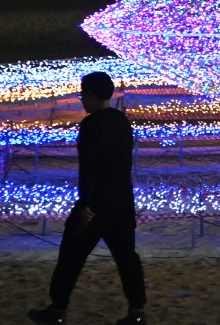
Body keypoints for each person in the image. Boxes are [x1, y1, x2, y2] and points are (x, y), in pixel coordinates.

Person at [29, 71, 147, 325]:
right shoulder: (122, 121)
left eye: (83, 95)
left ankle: (58, 309)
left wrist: (86, 203)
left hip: (96, 206)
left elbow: (90, 168)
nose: (82, 99)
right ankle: (137, 311)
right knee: (127, 258)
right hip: (122, 202)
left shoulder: (91, 125)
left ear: (92, 95)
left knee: (71, 256)